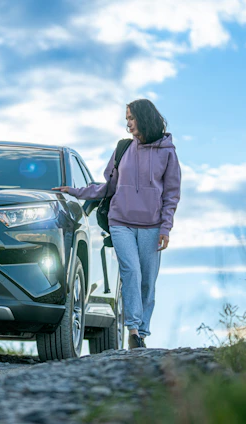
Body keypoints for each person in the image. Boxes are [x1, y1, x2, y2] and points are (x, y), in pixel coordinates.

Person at [53, 99, 181, 349]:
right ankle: (133, 330)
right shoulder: (123, 149)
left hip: (152, 225)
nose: (128, 123)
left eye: (131, 118)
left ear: (144, 118)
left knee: (147, 280)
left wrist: (165, 227)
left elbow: (171, 194)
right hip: (120, 221)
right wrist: (77, 192)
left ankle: (142, 330)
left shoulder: (167, 152)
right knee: (130, 272)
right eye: (126, 119)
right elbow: (108, 187)